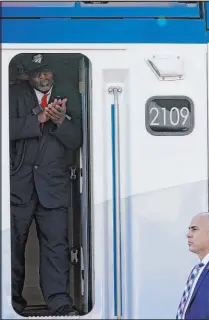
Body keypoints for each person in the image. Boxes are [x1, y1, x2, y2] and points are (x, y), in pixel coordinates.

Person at [9, 53, 82, 316]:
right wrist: (37, 119)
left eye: (46, 72)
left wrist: (61, 121)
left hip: (54, 186)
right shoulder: (13, 94)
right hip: (18, 187)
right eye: (37, 73)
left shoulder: (68, 95)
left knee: (55, 246)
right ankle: (13, 302)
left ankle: (59, 303)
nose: (43, 77)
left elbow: (77, 140)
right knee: (13, 246)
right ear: (28, 75)